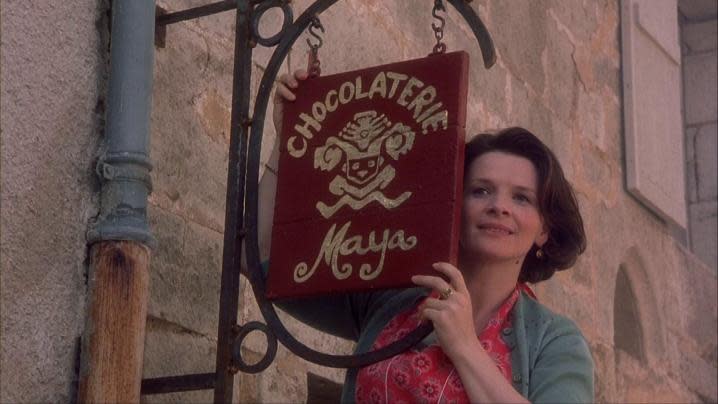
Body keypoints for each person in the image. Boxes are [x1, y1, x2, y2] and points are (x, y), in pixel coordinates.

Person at [259, 69, 594, 403]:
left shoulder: (555, 340)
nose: (498, 206)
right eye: (480, 191)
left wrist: (463, 345)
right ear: (453, 203)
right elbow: (262, 262)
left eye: (521, 198)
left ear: (545, 230)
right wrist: (286, 144)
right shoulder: (389, 299)